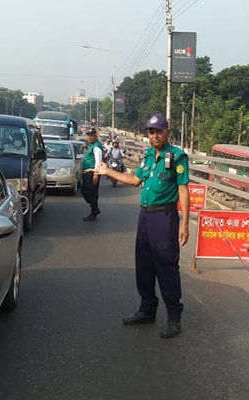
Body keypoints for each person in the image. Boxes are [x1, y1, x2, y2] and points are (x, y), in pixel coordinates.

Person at [95, 113, 190, 339]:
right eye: (151, 131)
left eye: (159, 131)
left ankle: (174, 316)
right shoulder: (147, 156)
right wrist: (108, 171)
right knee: (144, 266)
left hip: (164, 218)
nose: (154, 135)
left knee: (166, 267)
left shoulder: (177, 157)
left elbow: (183, 189)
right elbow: (135, 180)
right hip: (145, 218)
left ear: (168, 131)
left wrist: (185, 224)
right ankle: (147, 309)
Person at [80, 127, 104, 221]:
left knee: (91, 192)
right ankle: (95, 208)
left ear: (95, 136)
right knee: (85, 191)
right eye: (88, 135)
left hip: (92, 172)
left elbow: (98, 161)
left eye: (91, 135)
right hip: (87, 173)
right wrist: (86, 147)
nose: (89, 137)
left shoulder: (97, 147)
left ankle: (94, 211)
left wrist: (96, 175)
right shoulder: (92, 145)